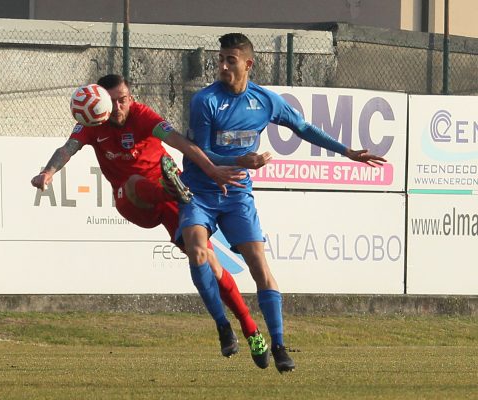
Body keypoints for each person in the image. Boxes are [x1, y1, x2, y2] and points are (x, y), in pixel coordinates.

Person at [177, 33, 387, 373]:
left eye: (230, 60)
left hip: (237, 196)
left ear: (248, 64)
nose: (223, 66)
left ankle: (278, 344)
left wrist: (347, 151)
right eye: (220, 59)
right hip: (200, 191)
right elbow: (200, 153)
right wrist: (244, 160)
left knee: (260, 264)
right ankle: (223, 325)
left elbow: (303, 127)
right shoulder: (206, 101)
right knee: (197, 250)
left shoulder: (265, 101)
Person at [31, 74, 270, 366]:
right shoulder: (93, 123)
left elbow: (179, 142)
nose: (119, 106)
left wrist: (209, 169)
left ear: (131, 98)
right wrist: (48, 172)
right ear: (102, 102)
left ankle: (245, 328)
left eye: (124, 99)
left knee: (207, 259)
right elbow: (67, 149)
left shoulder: (143, 115)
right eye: (113, 101)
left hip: (169, 199)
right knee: (132, 180)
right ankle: (171, 188)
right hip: (132, 199)